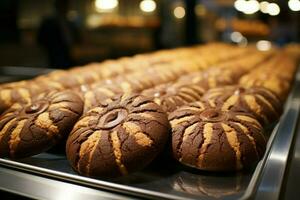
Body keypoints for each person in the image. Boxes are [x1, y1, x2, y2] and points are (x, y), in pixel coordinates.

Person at [37, 0, 79, 68]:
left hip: (70, 55)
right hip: (54, 56)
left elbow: (76, 38)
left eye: (66, 6)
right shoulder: (48, 22)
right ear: (57, 7)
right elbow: (41, 39)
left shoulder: (70, 22)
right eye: (62, 6)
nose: (65, 8)